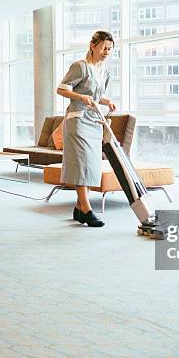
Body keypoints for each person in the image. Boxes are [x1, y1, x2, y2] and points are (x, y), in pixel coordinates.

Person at [56, 31, 117, 227]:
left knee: (91, 165)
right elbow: (61, 89)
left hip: (94, 121)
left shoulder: (105, 70)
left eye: (109, 49)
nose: (106, 52)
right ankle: (88, 210)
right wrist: (80, 97)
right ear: (92, 45)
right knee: (81, 164)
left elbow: (97, 96)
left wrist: (108, 102)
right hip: (78, 120)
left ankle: (79, 209)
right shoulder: (80, 67)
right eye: (103, 48)